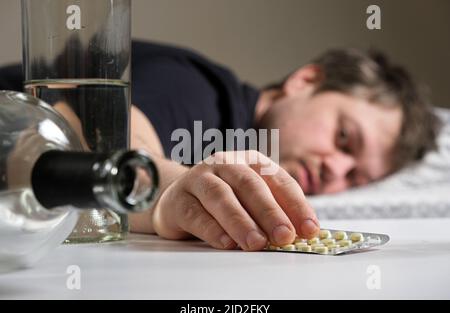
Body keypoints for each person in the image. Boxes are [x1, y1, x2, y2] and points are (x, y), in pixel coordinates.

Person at [0, 40, 440, 251]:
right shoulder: (197, 89)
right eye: (344, 138)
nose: (336, 171)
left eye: (356, 177)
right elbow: (122, 148)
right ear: (306, 81)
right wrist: (170, 191)